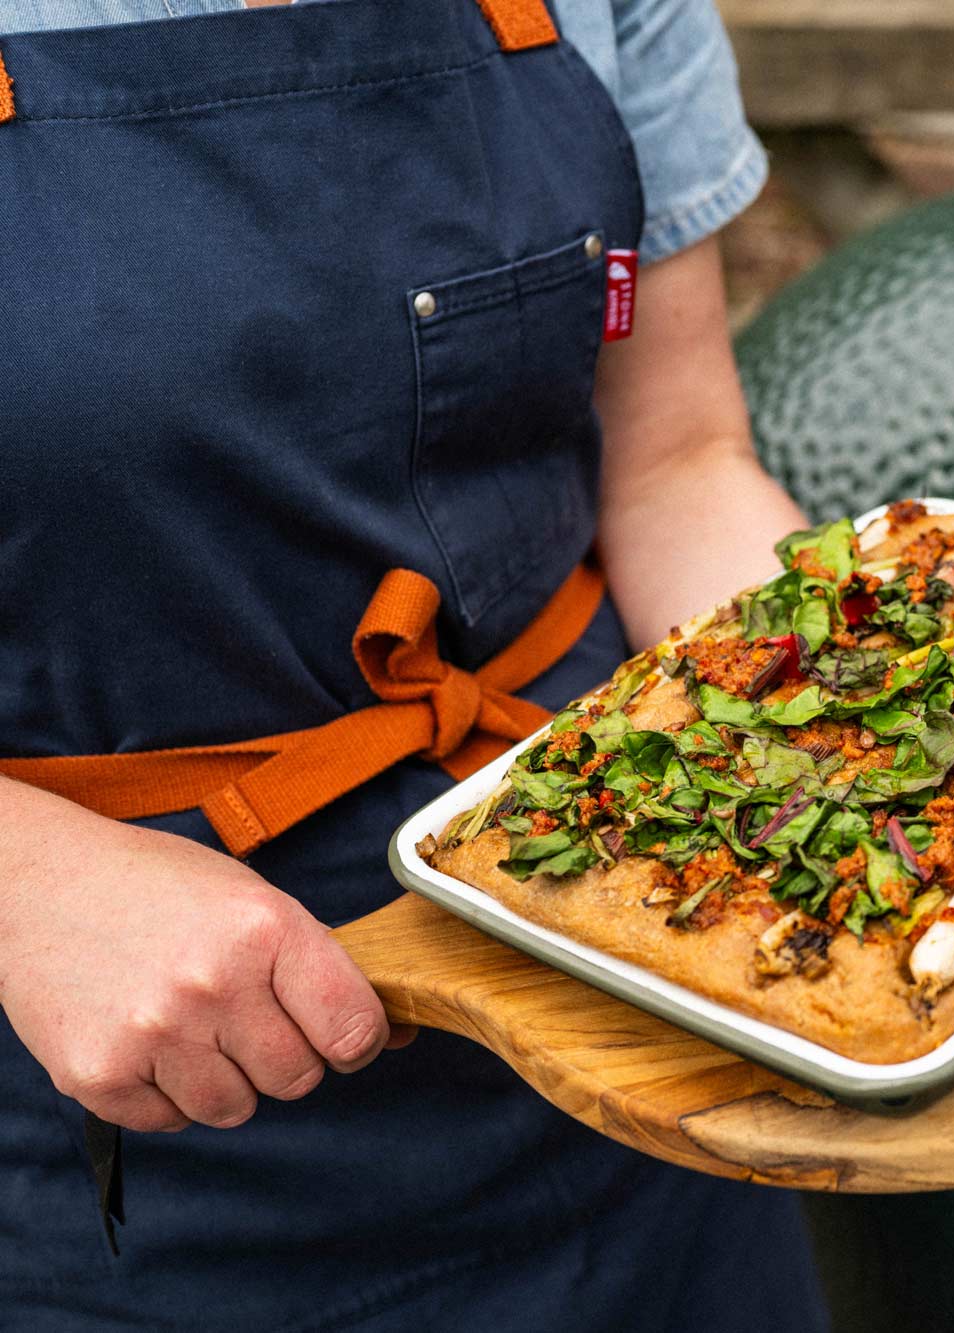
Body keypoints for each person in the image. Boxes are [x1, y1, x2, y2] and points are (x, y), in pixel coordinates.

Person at [0, 0, 831, 1325]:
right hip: (153, 1175)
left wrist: (862, 723)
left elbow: (675, 460)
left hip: (663, 1019)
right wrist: (21, 881)